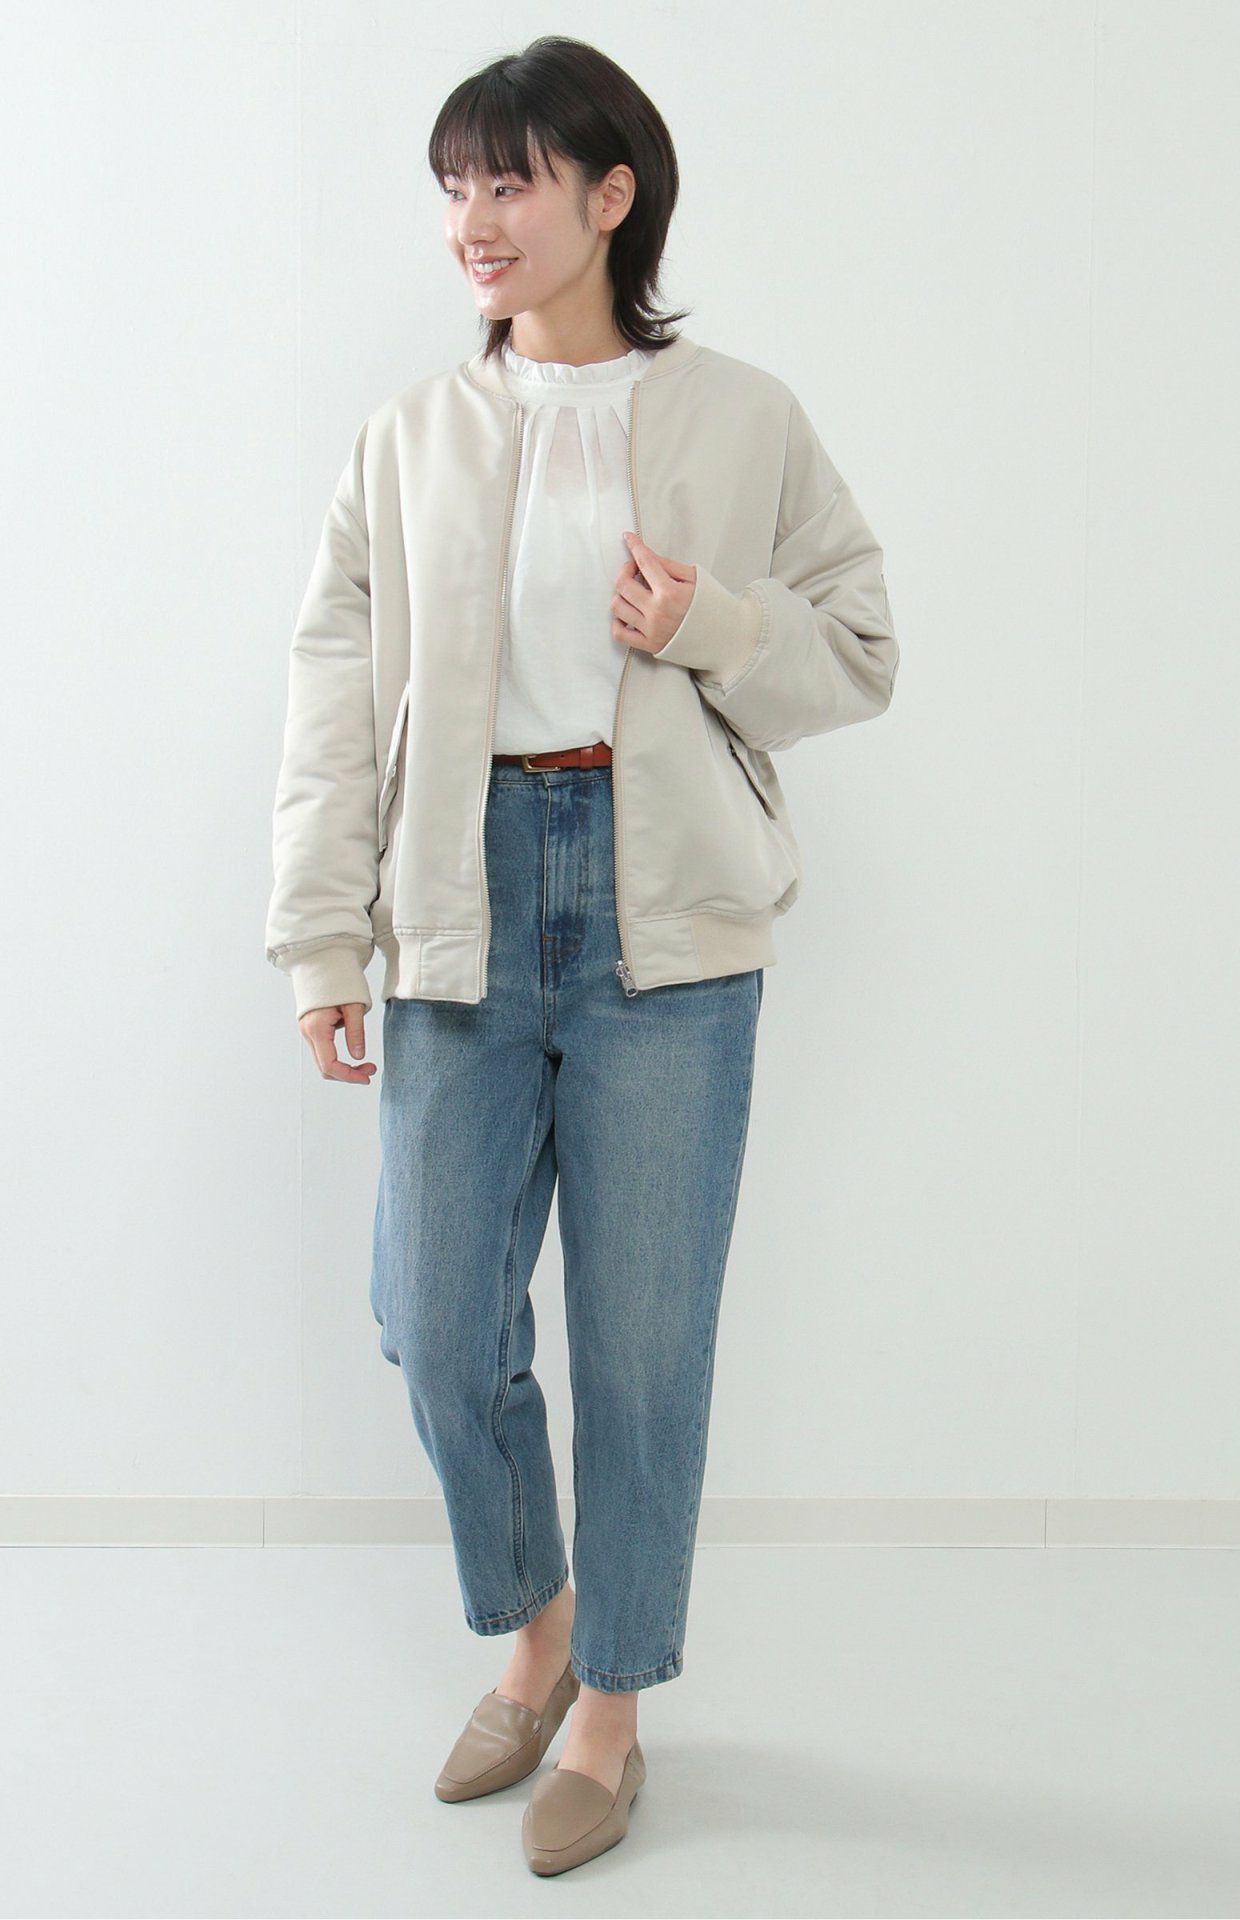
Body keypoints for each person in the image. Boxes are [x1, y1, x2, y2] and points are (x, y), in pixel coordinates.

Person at [265, 34, 898, 1876]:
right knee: (433, 1321)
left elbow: (861, 647)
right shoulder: (406, 438)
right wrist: (321, 936)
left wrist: (712, 620)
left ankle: (611, 1710)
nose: (474, 218)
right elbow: (332, 697)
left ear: (611, 197)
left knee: (642, 1347)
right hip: (455, 903)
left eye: (512, 180)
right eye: (455, 185)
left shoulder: (744, 418)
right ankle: (538, 1627)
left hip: (664, 920)